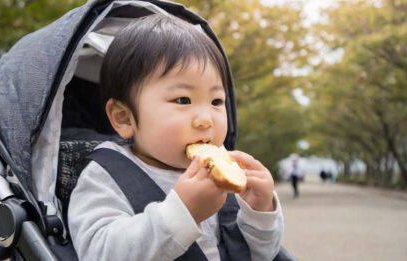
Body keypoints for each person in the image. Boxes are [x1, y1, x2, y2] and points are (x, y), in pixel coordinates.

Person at [68, 14, 284, 261]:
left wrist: (260, 211)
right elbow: (100, 253)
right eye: (183, 100)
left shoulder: (222, 174)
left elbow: (260, 255)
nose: (206, 119)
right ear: (124, 118)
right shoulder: (103, 177)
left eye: (216, 101)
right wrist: (183, 213)